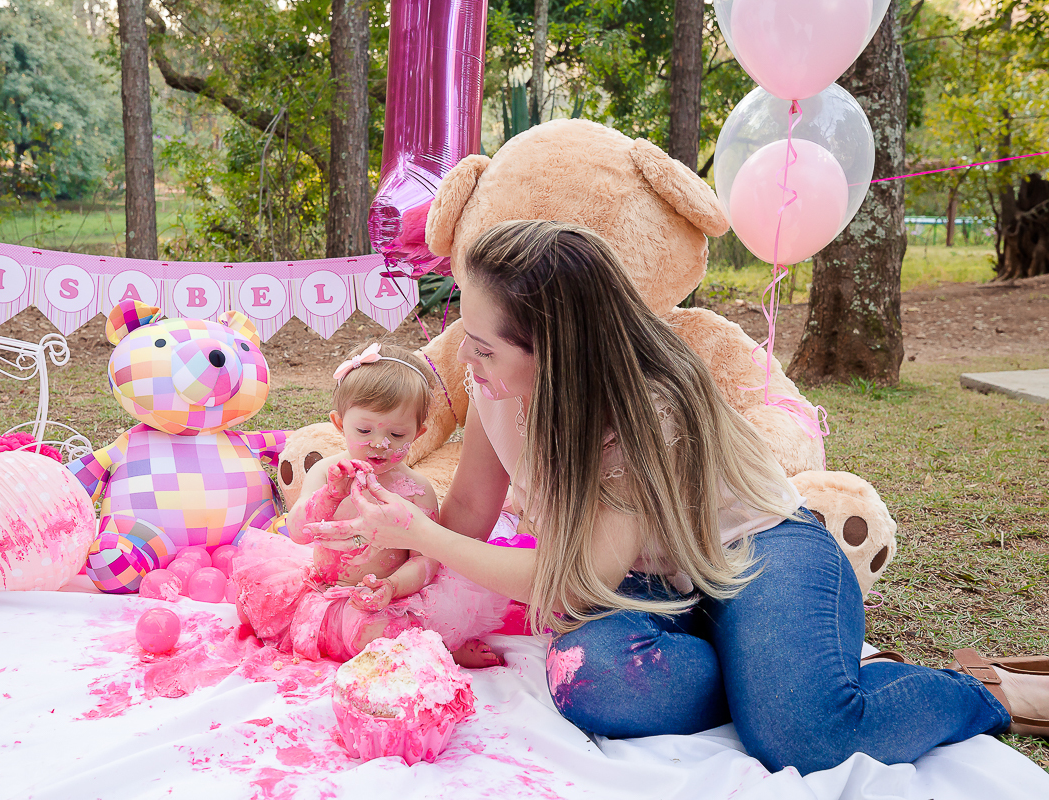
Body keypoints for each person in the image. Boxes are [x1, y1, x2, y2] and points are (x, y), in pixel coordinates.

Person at [301, 220, 1049, 774]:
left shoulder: (643, 409)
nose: (467, 357)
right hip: (652, 582)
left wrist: (421, 538)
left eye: (487, 345)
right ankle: (763, 670)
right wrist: (388, 538)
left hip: (758, 550)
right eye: (466, 334)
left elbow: (575, 578)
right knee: (589, 680)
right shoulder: (496, 386)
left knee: (805, 736)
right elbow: (464, 518)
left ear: (555, 349)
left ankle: (981, 692)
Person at [231, 342, 506, 666]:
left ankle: (440, 648)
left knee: (376, 633)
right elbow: (299, 532)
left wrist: (391, 586)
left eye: (396, 434)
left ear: (418, 433)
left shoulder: (416, 492)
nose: (379, 443)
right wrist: (331, 494)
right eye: (364, 430)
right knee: (251, 603)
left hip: (386, 598)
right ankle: (356, 636)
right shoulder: (325, 472)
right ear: (338, 423)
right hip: (322, 584)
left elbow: (427, 562)